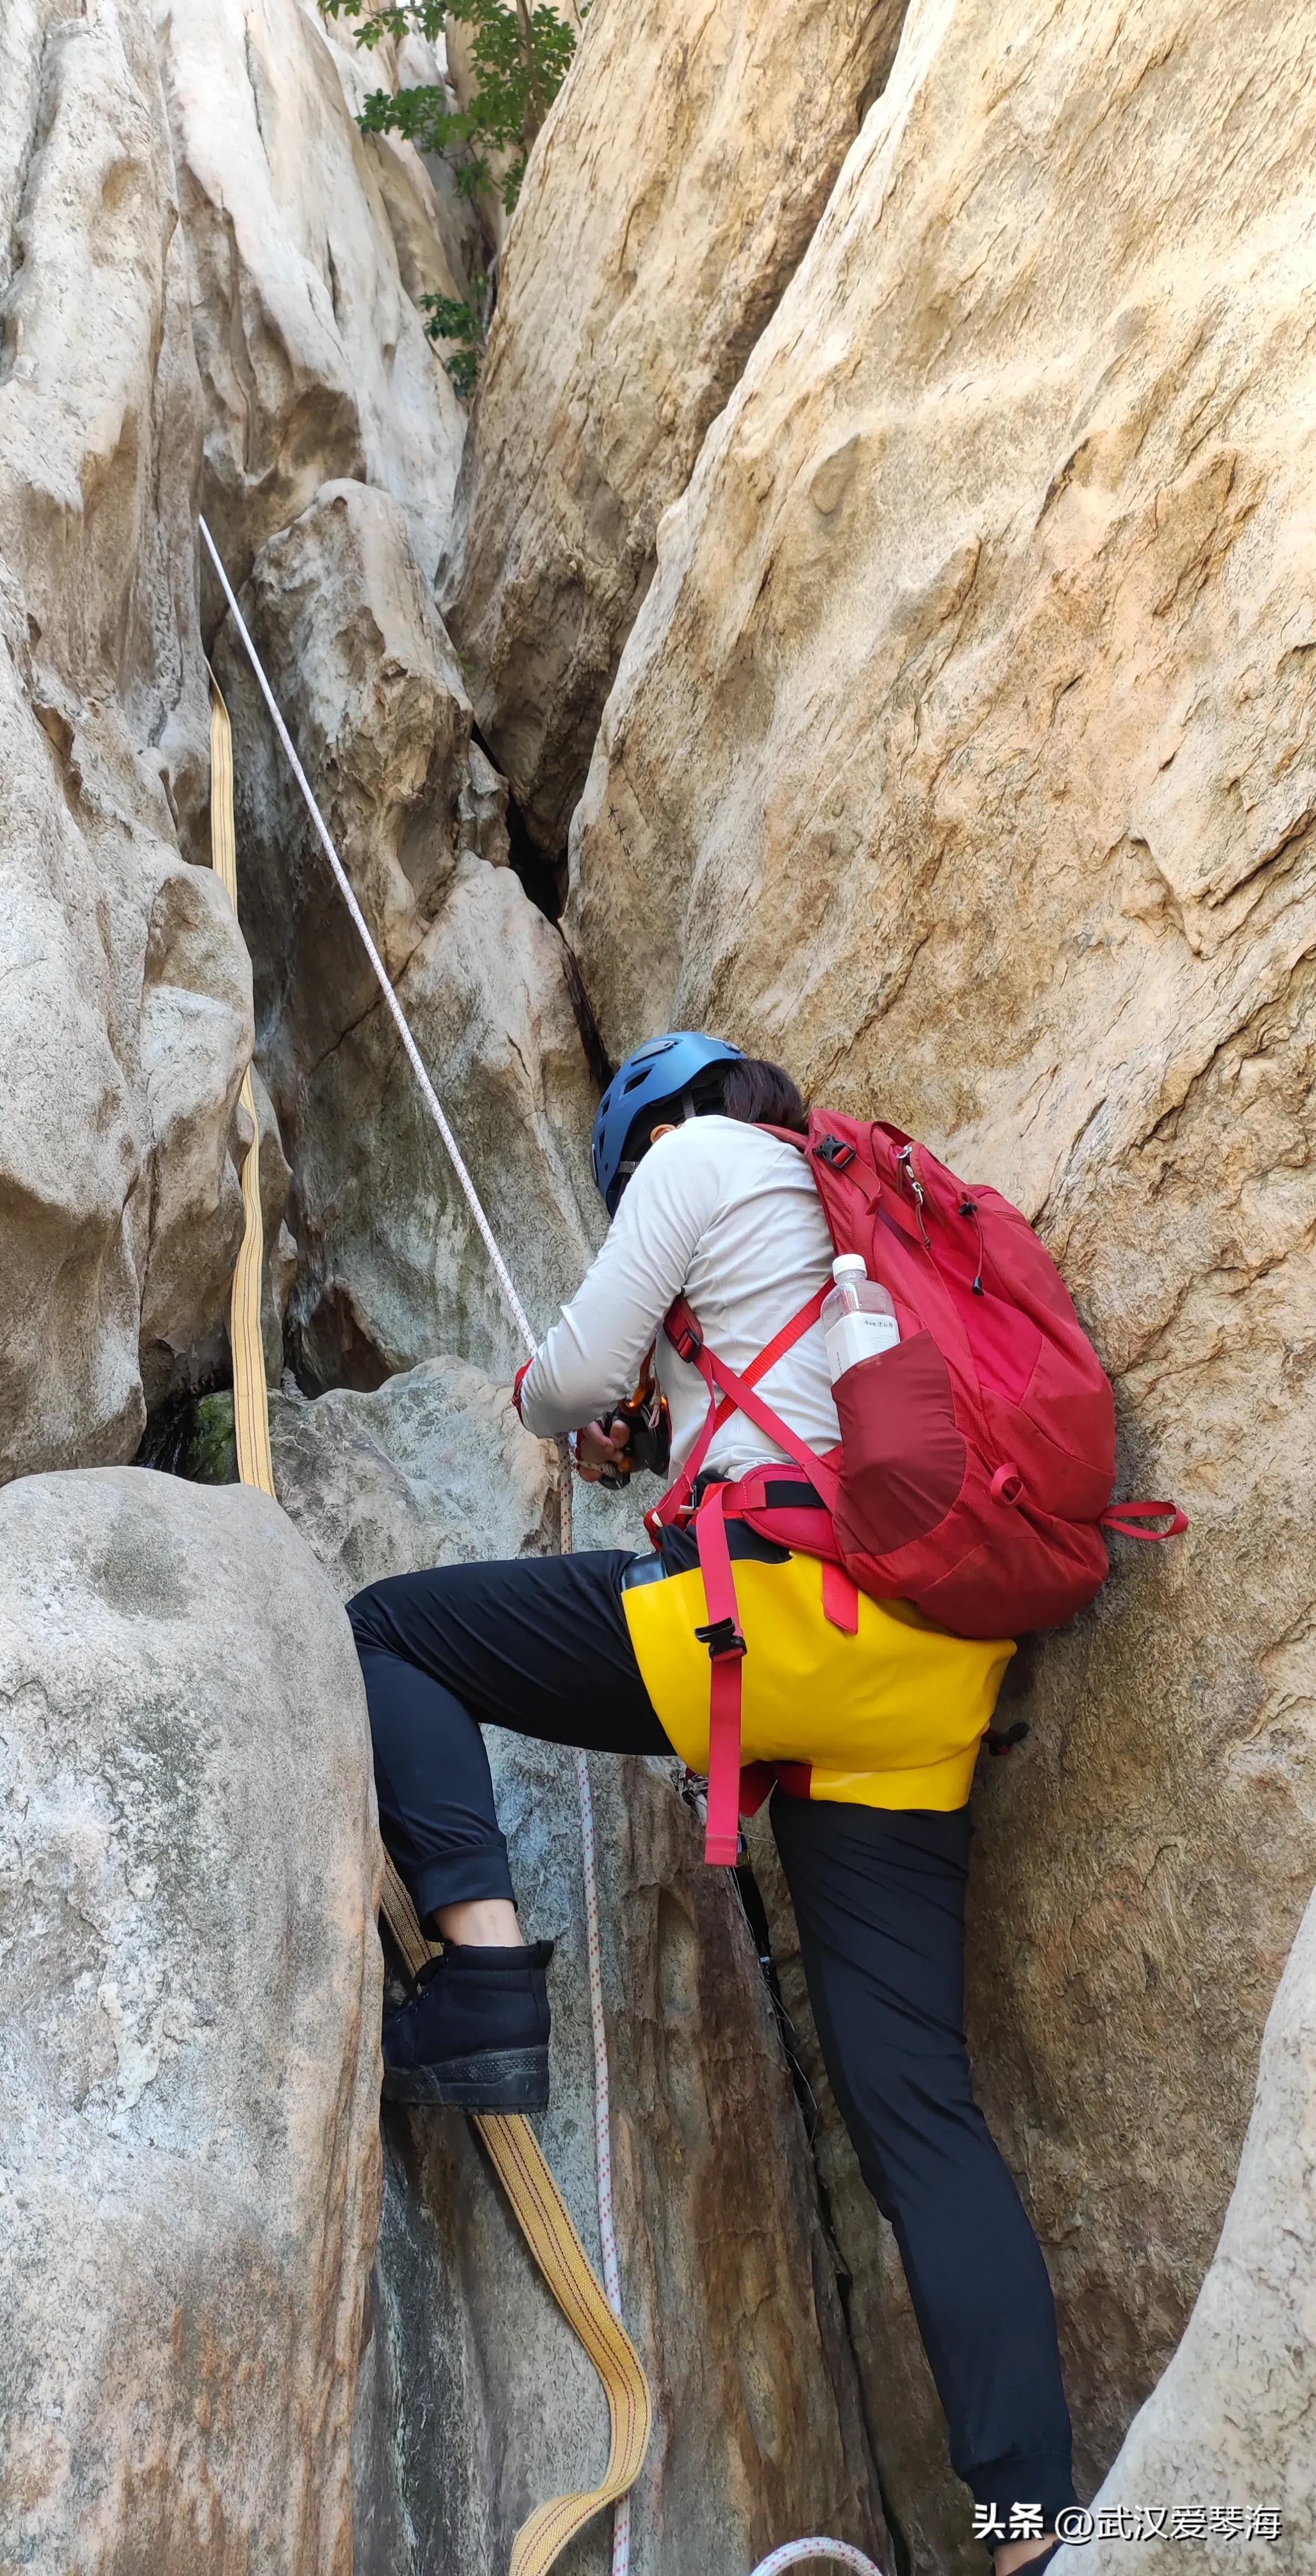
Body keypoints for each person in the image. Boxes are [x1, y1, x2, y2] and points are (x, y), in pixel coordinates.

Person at [350, 1033, 1077, 2573]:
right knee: (919, 2116)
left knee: (395, 1633)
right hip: (928, 1683)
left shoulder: (691, 1164)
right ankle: (1034, 2533)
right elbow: (778, 1414)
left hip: (787, 1631)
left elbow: (564, 1382)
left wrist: (575, 1408)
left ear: (656, 1134)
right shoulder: (840, 1215)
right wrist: (663, 1430)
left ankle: (481, 1985)